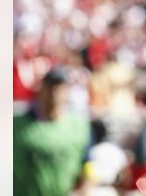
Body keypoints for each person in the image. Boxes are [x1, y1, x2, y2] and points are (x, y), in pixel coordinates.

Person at [13, 66, 93, 196]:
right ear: (41, 90)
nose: (55, 92)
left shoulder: (79, 126)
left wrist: (86, 188)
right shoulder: (18, 125)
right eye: (51, 86)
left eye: (60, 88)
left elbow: (88, 162)